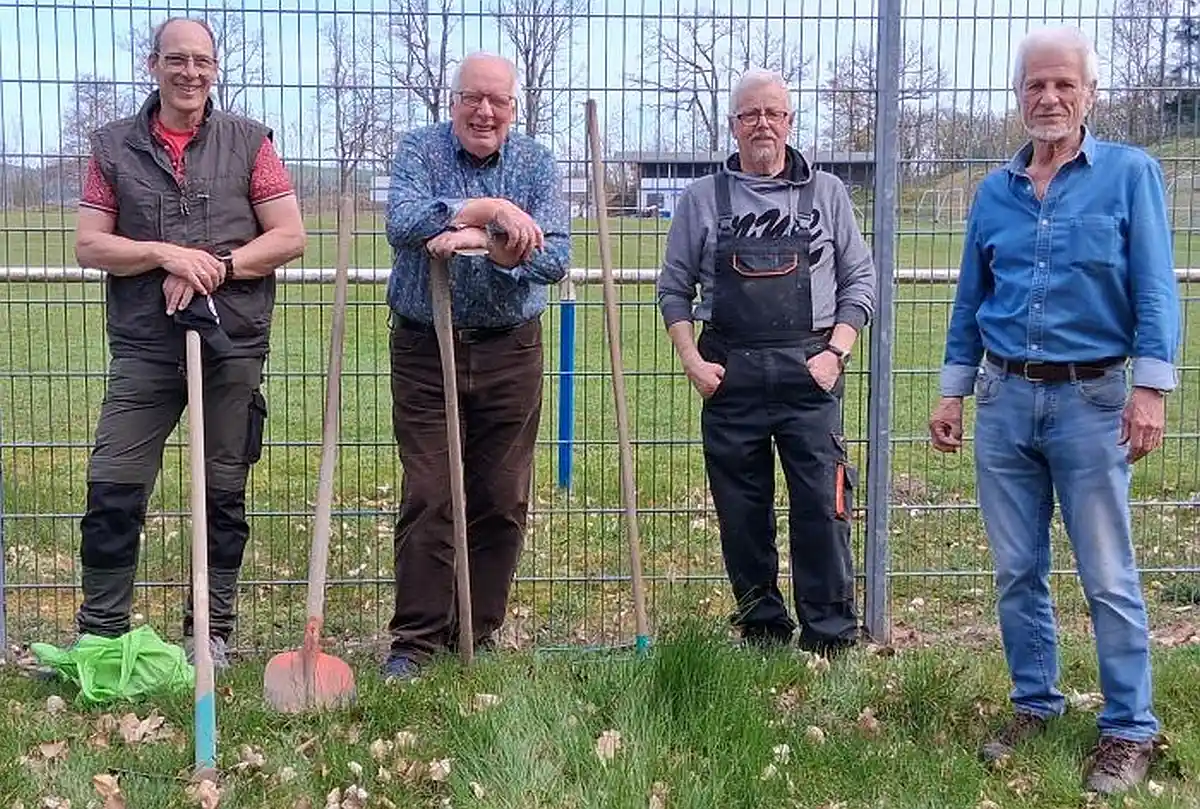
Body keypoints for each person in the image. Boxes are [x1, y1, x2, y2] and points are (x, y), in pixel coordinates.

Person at [928, 25, 1179, 796]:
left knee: (1107, 572)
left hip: (1092, 400)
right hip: (1005, 399)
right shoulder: (993, 192)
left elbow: (1155, 287)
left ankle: (1129, 727)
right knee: (1016, 569)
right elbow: (973, 296)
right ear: (1018, 96)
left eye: (1064, 84)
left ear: (1090, 93)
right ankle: (1035, 703)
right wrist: (953, 388)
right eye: (1036, 84)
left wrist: (1151, 387)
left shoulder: (1130, 175)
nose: (1049, 96)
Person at [73, 17, 306, 669]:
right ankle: (102, 630)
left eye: (202, 61)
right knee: (113, 483)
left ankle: (211, 632)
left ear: (214, 69)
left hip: (231, 344)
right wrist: (163, 253)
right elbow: (91, 242)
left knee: (222, 492)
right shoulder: (113, 147)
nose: (190, 72)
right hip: (145, 347)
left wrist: (216, 266)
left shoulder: (249, 143)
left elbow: (287, 235)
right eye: (176, 59)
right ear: (153, 65)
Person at [656, 68, 877, 656]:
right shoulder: (702, 199)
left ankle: (830, 637)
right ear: (733, 125)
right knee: (741, 513)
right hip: (730, 375)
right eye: (750, 114)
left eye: (773, 113)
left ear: (789, 121)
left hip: (811, 374)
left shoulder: (826, 193)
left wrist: (836, 352)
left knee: (822, 507)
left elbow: (860, 280)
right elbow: (673, 289)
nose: (762, 124)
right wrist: (691, 362)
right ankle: (762, 632)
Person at [381, 52, 570, 679]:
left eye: (498, 101)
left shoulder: (538, 164)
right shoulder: (417, 149)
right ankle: (415, 641)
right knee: (432, 490)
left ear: (514, 108)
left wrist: (477, 241)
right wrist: (491, 212)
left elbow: (554, 256)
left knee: (501, 495)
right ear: (453, 100)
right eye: (472, 98)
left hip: (509, 347)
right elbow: (404, 221)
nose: (484, 111)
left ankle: (477, 631)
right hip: (425, 345)